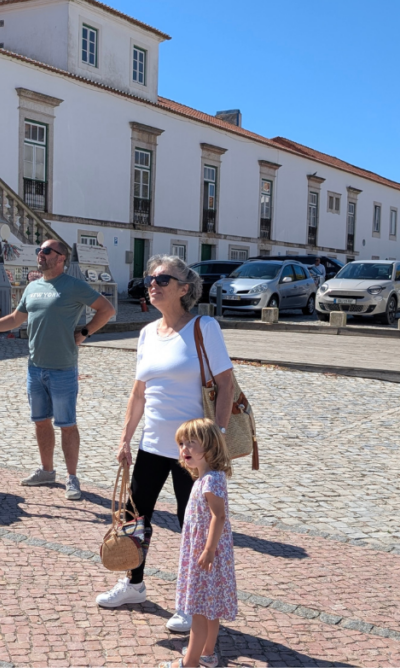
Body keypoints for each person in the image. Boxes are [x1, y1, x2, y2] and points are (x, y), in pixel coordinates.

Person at [96, 254, 234, 635]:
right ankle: (134, 584)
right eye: (150, 279)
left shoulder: (204, 327)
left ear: (184, 288)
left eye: (162, 279)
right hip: (152, 444)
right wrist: (125, 438)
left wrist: (216, 438)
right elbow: (138, 393)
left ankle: (191, 603)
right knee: (133, 518)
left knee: (193, 525)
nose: (152, 285)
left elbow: (226, 385)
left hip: (193, 449)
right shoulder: (146, 333)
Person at [0, 239, 115, 500]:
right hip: (35, 368)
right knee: (41, 422)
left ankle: (72, 478)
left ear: (61, 258)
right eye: (39, 251)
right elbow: (15, 319)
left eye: (46, 251)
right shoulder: (33, 287)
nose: (40, 255)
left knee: (67, 424)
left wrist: (85, 332)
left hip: (63, 368)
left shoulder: (74, 285)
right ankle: (47, 471)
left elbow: (107, 309)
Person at [161, 418, 237, 668]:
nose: (184, 449)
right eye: (181, 443)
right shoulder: (206, 479)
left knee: (198, 612)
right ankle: (207, 653)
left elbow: (219, 515)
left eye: (191, 443)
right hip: (206, 553)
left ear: (210, 447)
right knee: (210, 609)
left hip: (206, 555)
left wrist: (208, 550)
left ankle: (190, 662)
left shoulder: (211, 481)